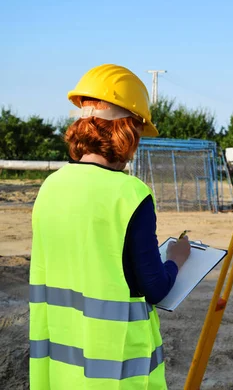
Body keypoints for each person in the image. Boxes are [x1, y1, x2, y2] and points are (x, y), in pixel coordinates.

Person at [29, 64, 191, 389]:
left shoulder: (51, 186)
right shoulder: (129, 194)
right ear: (127, 131)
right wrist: (176, 259)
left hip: (60, 366)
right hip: (116, 368)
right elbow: (155, 287)